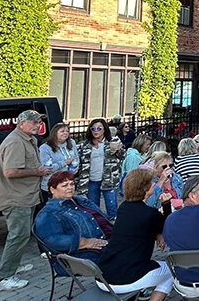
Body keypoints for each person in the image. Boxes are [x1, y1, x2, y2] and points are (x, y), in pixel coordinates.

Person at [96, 169, 174, 301]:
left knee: (156, 266)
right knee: (171, 271)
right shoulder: (149, 214)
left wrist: (157, 232)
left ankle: (140, 293)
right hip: (126, 278)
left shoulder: (123, 208)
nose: (154, 184)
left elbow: (145, 225)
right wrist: (166, 205)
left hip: (103, 275)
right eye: (152, 183)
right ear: (145, 188)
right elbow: (169, 226)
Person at [0, 110, 51, 292]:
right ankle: (4, 277)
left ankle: (13, 265)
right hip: (16, 197)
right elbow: (10, 172)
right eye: (34, 122)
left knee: (20, 236)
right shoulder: (15, 142)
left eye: (39, 122)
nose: (38, 125)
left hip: (26, 195)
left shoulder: (29, 139)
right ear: (22, 123)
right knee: (17, 236)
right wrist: (38, 172)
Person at [35, 171, 112, 263]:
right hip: (77, 255)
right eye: (64, 186)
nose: (70, 188)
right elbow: (51, 240)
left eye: (72, 184)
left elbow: (103, 218)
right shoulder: (49, 212)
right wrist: (84, 242)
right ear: (52, 189)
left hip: (106, 240)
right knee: (122, 257)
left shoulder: (82, 201)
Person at [76, 118, 125, 221]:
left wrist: (119, 150)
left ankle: (112, 229)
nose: (96, 131)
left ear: (104, 130)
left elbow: (122, 156)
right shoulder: (84, 144)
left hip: (109, 180)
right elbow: (78, 162)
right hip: (91, 180)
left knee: (112, 208)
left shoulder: (113, 141)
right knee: (93, 208)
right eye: (93, 128)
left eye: (99, 128)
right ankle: (99, 228)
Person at [39, 122, 80, 202]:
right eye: (62, 131)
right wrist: (64, 163)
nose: (65, 133)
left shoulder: (72, 143)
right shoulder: (45, 148)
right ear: (55, 133)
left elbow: (76, 158)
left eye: (67, 131)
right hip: (52, 185)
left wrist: (75, 167)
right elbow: (46, 168)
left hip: (67, 184)